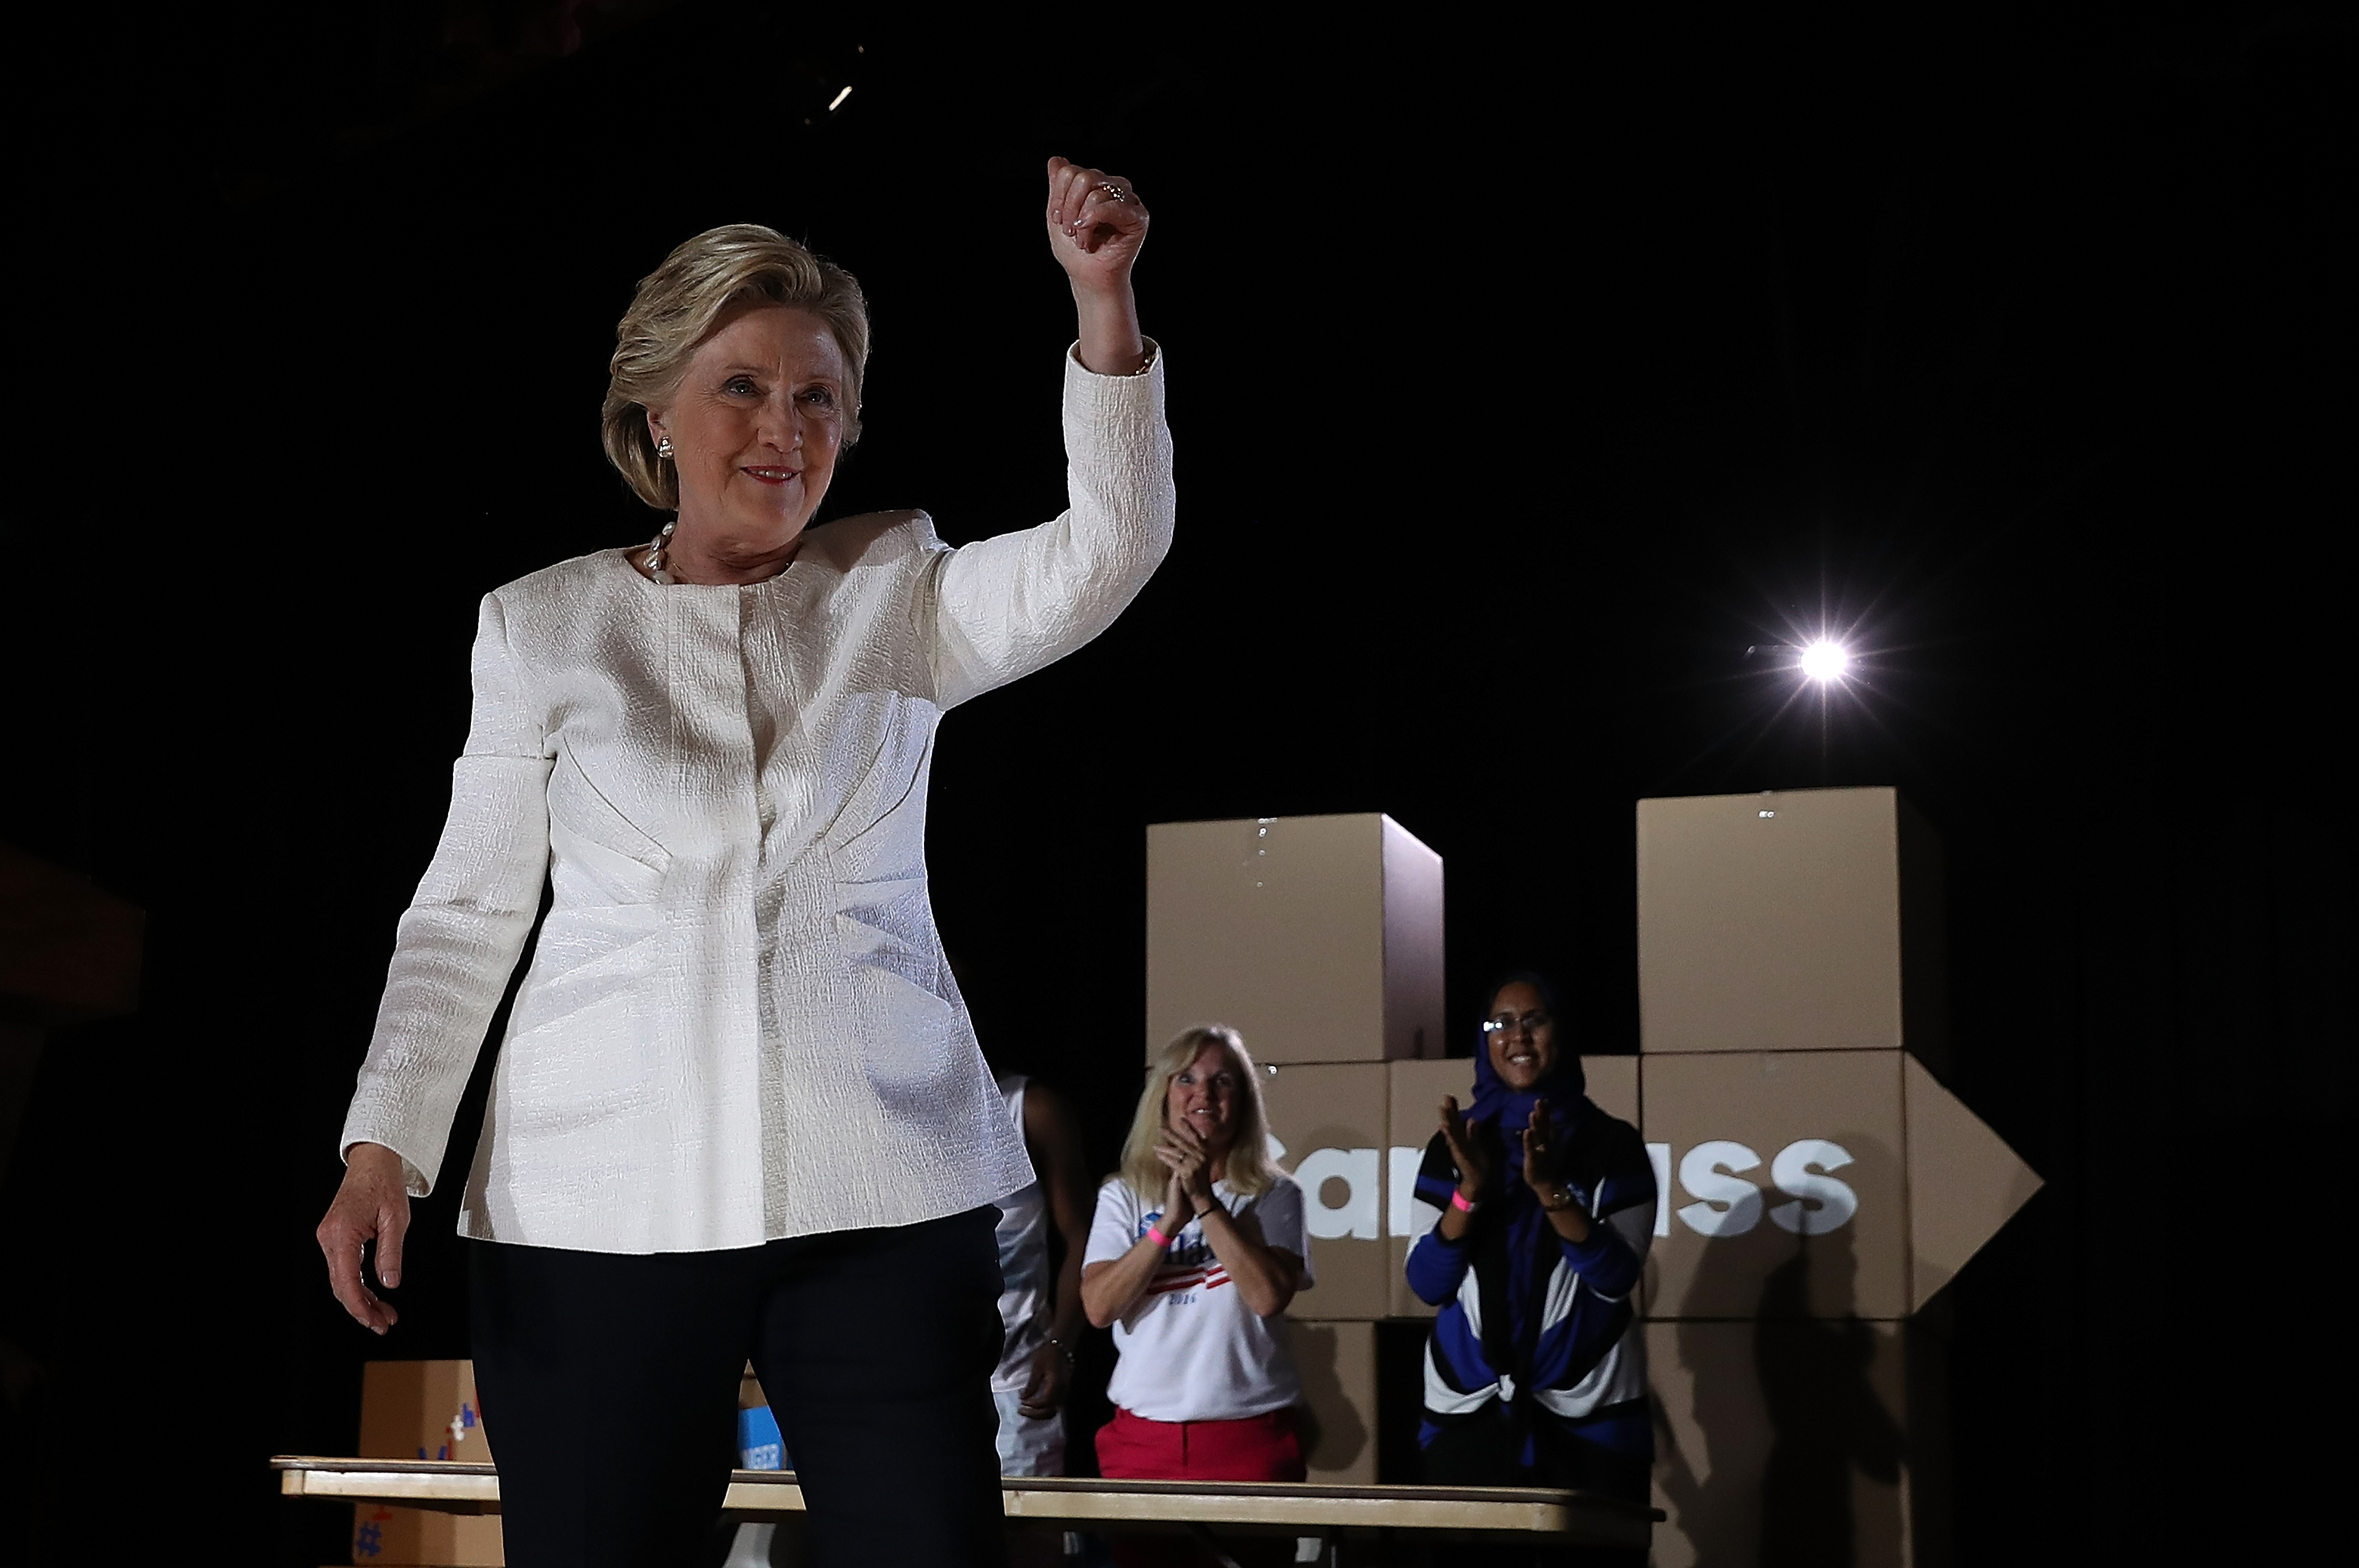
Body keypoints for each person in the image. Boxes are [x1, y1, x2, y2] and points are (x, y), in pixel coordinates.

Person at [312, 156, 1172, 1568]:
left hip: (882, 1198)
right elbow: (464, 911)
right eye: (744, 388)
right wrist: (382, 1144)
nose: (786, 428)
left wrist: (1103, 298)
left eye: (818, 396)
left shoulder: (897, 588)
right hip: (592, 1206)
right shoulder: (540, 626)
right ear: (655, 409)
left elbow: (1112, 546)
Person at [1404, 974, 1658, 1520]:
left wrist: (1550, 1190)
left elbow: (1614, 1277)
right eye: (1500, 1023)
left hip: (1595, 1413)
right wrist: (1469, 1191)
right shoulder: (1454, 1146)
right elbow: (1427, 1282)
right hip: (1465, 1410)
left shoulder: (1613, 1144)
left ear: (1561, 1031)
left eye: (1535, 1019)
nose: (1517, 1035)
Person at [1082, 1025, 1312, 1504]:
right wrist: (1167, 1225)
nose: (1203, 1093)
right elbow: (1099, 1308)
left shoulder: (1274, 1195)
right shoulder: (1123, 1195)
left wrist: (1206, 1204)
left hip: (1248, 1438)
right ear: (1163, 1095)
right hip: (1143, 1441)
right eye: (1186, 1078)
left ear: (1244, 1101)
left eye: (1222, 1081)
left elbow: (1267, 1296)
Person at [989, 1068, 1092, 1478]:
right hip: (917, 1391)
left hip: (1017, 1386)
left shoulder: (1029, 1109)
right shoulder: (883, 1109)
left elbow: (1084, 1239)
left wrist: (1060, 1345)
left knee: (1028, 1538)